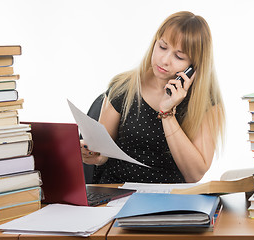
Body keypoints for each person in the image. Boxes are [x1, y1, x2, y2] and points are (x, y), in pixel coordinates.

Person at [81, 11, 225, 184]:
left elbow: (193, 175)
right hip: (117, 194)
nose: (164, 60)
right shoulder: (124, 87)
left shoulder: (205, 103)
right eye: (162, 47)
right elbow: (102, 153)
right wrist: (93, 155)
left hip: (169, 201)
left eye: (179, 56)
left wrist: (168, 112)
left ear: (194, 67)